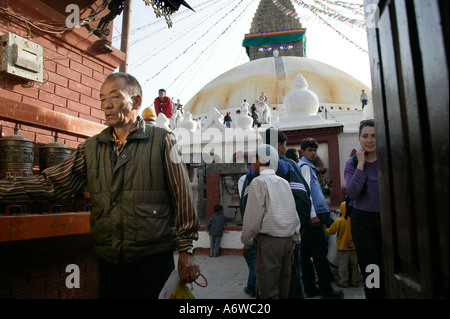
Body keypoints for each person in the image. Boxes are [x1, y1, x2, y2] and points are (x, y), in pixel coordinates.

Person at [0, 72, 201, 299]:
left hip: (152, 259)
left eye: (114, 97)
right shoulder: (91, 148)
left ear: (136, 101)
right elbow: (52, 184)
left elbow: (183, 197)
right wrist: (4, 190)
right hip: (109, 259)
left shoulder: (163, 140)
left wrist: (186, 251)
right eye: (102, 98)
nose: (106, 105)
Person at [241, 128, 312, 299]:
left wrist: (247, 242)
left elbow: (251, 213)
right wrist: (297, 235)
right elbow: (300, 202)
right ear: (279, 146)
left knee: (267, 287)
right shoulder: (286, 174)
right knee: (289, 283)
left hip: (267, 241)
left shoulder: (256, 178)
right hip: (288, 239)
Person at [344, 119, 385, 299]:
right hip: (362, 221)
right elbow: (352, 193)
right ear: (359, 138)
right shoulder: (352, 163)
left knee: (387, 264)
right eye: (365, 136)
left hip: (387, 219)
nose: (369, 140)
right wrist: (361, 165)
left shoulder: (387, 159)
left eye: (374, 136)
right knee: (371, 267)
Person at [299, 137, 344, 299]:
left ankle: (310, 287)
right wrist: (312, 215)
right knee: (319, 254)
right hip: (313, 217)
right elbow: (305, 193)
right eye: (310, 150)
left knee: (305, 254)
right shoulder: (304, 167)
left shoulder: (308, 167)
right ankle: (326, 290)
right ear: (302, 152)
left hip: (310, 216)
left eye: (315, 150)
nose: (313, 153)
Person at [324, 201, 359, 288]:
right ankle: (355, 282)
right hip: (354, 248)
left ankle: (343, 282)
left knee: (343, 267)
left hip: (343, 248)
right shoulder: (355, 220)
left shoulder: (339, 221)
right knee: (354, 266)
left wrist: (325, 229)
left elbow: (331, 231)